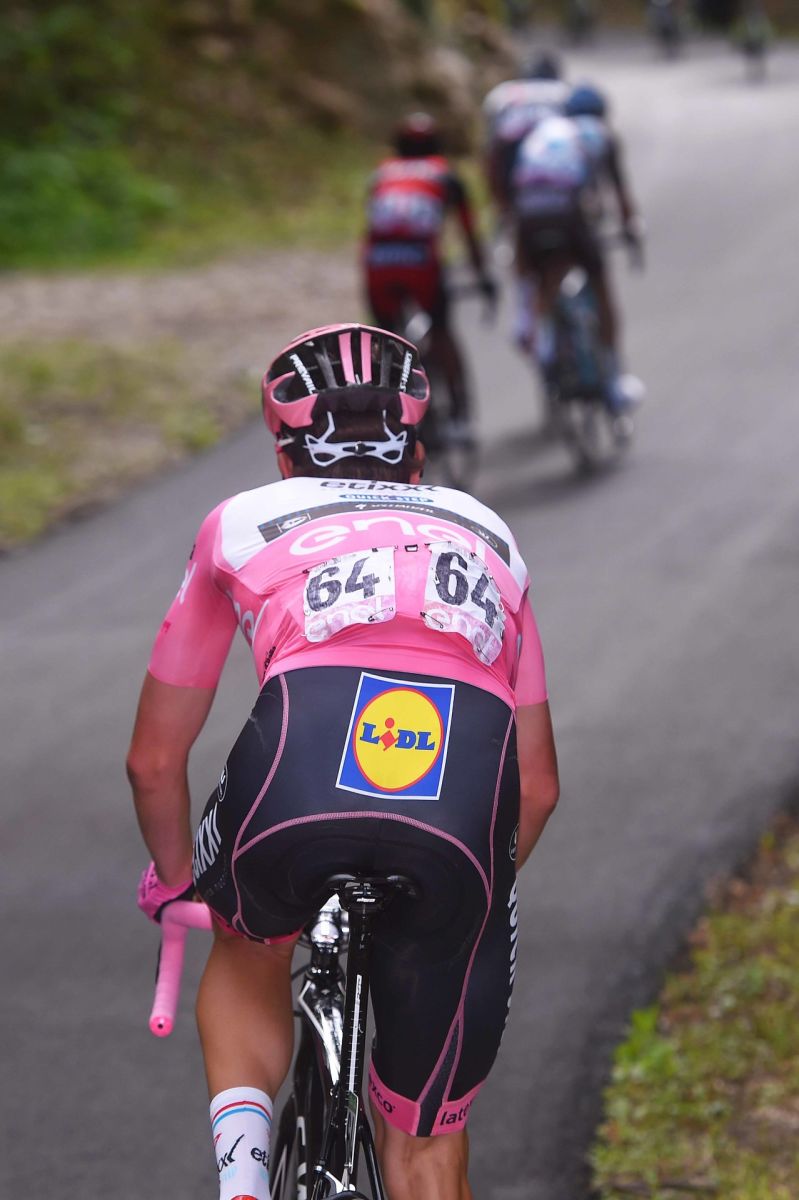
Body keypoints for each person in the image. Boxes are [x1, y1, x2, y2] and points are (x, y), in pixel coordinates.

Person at [127, 323, 560, 1200]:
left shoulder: (239, 520)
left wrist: (177, 883)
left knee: (249, 945)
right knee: (425, 1142)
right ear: (418, 454)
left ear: (282, 455)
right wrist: (456, 903)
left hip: (293, 775)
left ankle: (243, 1183)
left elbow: (154, 761)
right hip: (460, 807)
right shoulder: (488, 532)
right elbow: (539, 786)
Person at [363, 113, 496, 448]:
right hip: (420, 262)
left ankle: (390, 420)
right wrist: (483, 277)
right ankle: (460, 417)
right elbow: (468, 233)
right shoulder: (444, 174)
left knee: (387, 340)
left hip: (378, 263)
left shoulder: (381, 174)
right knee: (442, 332)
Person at [510, 82, 643, 413]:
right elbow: (616, 193)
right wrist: (630, 232)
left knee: (545, 275)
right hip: (566, 211)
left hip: (526, 213)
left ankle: (538, 334)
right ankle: (613, 377)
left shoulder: (544, 132)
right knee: (600, 286)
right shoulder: (600, 134)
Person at [481, 52, 570, 217]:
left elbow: (490, 145)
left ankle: (502, 211)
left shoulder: (502, 94)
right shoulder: (563, 92)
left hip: (512, 163)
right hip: (557, 164)